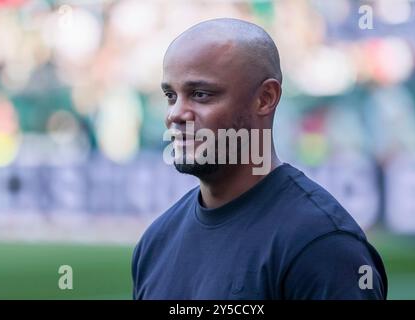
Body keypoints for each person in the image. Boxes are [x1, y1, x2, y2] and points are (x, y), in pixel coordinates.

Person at [132, 18, 387, 300]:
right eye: (170, 95)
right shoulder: (156, 241)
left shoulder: (322, 246)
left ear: (265, 98)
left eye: (201, 94)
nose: (175, 114)